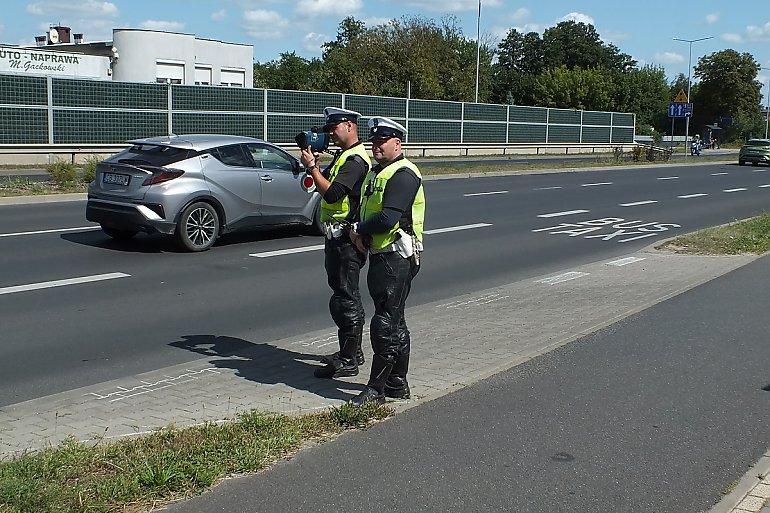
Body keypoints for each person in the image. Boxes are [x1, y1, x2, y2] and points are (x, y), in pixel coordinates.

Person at [348, 117, 425, 406]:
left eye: (382, 142)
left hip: (396, 257)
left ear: (398, 143)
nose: (376, 147)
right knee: (394, 320)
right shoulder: (378, 172)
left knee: (384, 323)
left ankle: (376, 390)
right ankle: (396, 383)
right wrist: (362, 230)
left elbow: (387, 218)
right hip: (384, 255)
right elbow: (368, 207)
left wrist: (359, 229)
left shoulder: (403, 174)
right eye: (374, 142)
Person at [301, 107, 370, 379]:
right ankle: (352, 350)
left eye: (334, 128)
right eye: (328, 129)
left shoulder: (355, 161)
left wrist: (313, 167)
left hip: (346, 238)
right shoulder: (343, 156)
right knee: (342, 295)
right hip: (336, 236)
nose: (330, 133)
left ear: (350, 126)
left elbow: (332, 194)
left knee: (346, 298)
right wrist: (314, 167)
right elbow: (318, 184)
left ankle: (349, 359)